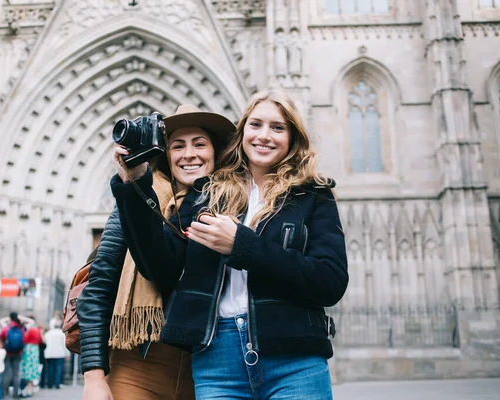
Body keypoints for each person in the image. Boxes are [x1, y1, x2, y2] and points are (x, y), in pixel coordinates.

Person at [112, 89, 349, 399]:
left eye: (277, 127)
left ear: (292, 137)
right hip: (217, 359)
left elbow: (330, 282)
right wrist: (136, 181)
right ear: (242, 133)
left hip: (294, 357)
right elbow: (160, 266)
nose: (264, 135)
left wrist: (243, 246)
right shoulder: (206, 195)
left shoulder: (313, 196)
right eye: (256, 125)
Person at [78, 104, 235, 400]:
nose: (189, 154)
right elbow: (98, 287)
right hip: (138, 364)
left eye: (199, 144)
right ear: (166, 154)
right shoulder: (134, 201)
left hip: (209, 366)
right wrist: (94, 378)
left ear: (216, 152)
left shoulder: (236, 205)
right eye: (178, 146)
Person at [0, 312, 25, 398]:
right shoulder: (21, 328)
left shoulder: (6, 328)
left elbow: (1, 338)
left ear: (10, 318)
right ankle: (15, 393)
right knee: (16, 373)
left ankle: (3, 392)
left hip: (7, 353)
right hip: (18, 353)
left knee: (6, 372)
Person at [20, 316, 43, 397]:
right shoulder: (38, 329)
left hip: (29, 348)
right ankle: (31, 387)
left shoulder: (30, 330)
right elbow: (41, 340)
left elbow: (25, 339)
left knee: (27, 367)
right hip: (35, 349)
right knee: (33, 367)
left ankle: (28, 388)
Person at [43, 321, 68, 389]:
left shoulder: (48, 333)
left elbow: (44, 342)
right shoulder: (61, 333)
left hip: (49, 353)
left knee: (50, 369)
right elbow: (64, 344)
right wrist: (67, 353)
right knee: (58, 369)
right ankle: (57, 383)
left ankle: (50, 384)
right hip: (59, 353)